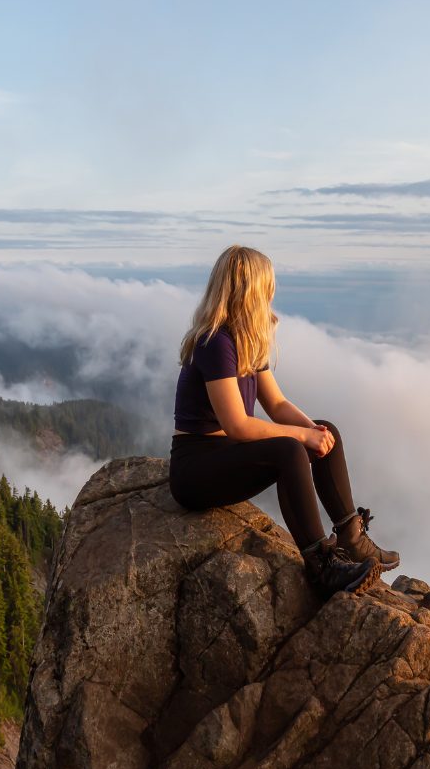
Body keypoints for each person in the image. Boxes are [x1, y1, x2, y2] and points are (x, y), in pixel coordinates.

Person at [167, 245, 399, 596]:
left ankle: (351, 539)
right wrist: (302, 440)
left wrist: (316, 434)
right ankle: (321, 567)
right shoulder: (214, 343)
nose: (273, 293)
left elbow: (275, 403)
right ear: (253, 290)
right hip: (195, 469)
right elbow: (237, 425)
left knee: (323, 430)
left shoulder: (244, 339)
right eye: (269, 286)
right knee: (290, 449)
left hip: (223, 455)